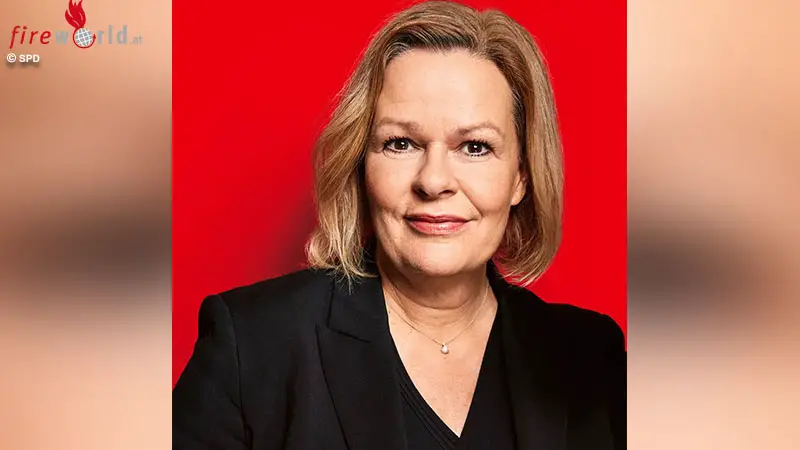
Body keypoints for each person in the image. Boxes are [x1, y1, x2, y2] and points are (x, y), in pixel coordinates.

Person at [172, 1, 625, 449]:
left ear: (521, 177)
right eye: (401, 143)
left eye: (475, 147)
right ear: (361, 163)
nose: (433, 181)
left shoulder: (591, 358)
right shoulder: (251, 345)